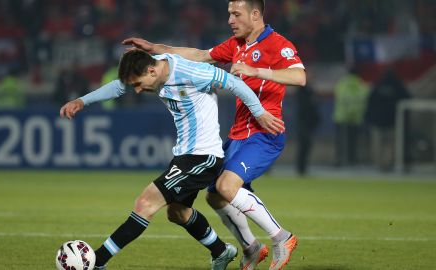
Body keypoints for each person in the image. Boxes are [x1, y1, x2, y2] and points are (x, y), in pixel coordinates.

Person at [59, 49, 284, 270]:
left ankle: (98, 261)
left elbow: (233, 83)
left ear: (151, 71)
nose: (136, 91)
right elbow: (119, 86)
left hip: (203, 157)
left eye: (138, 84)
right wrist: (82, 101)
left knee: (145, 203)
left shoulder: (191, 72)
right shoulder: (153, 66)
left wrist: (259, 112)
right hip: (185, 155)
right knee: (177, 213)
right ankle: (221, 251)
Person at [123, 1, 305, 269]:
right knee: (214, 195)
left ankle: (282, 238)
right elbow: (197, 54)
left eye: (236, 14)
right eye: (229, 14)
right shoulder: (236, 44)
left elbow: (299, 77)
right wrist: (156, 49)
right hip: (239, 134)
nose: (230, 19)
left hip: (264, 132)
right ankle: (251, 248)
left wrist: (257, 71)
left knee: (226, 187)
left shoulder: (277, 44)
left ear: (255, 14)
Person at [365, 68, 410, 171]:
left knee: (377, 144)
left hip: (377, 121)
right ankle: (387, 164)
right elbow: (408, 98)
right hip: (392, 121)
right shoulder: (398, 86)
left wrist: (369, 118)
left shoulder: (377, 85)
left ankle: (378, 164)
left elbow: (369, 102)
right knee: (390, 145)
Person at [333, 66, 369, 167]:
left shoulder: (342, 83)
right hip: (356, 118)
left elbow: (338, 97)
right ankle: (352, 161)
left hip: (341, 117)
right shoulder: (362, 85)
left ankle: (340, 161)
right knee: (353, 142)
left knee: (341, 141)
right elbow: (365, 99)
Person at [295, 83, 320, 176]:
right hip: (304, 122)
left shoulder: (308, 91)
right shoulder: (303, 91)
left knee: (306, 146)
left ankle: (302, 168)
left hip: (308, 123)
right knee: (304, 145)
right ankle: (301, 168)